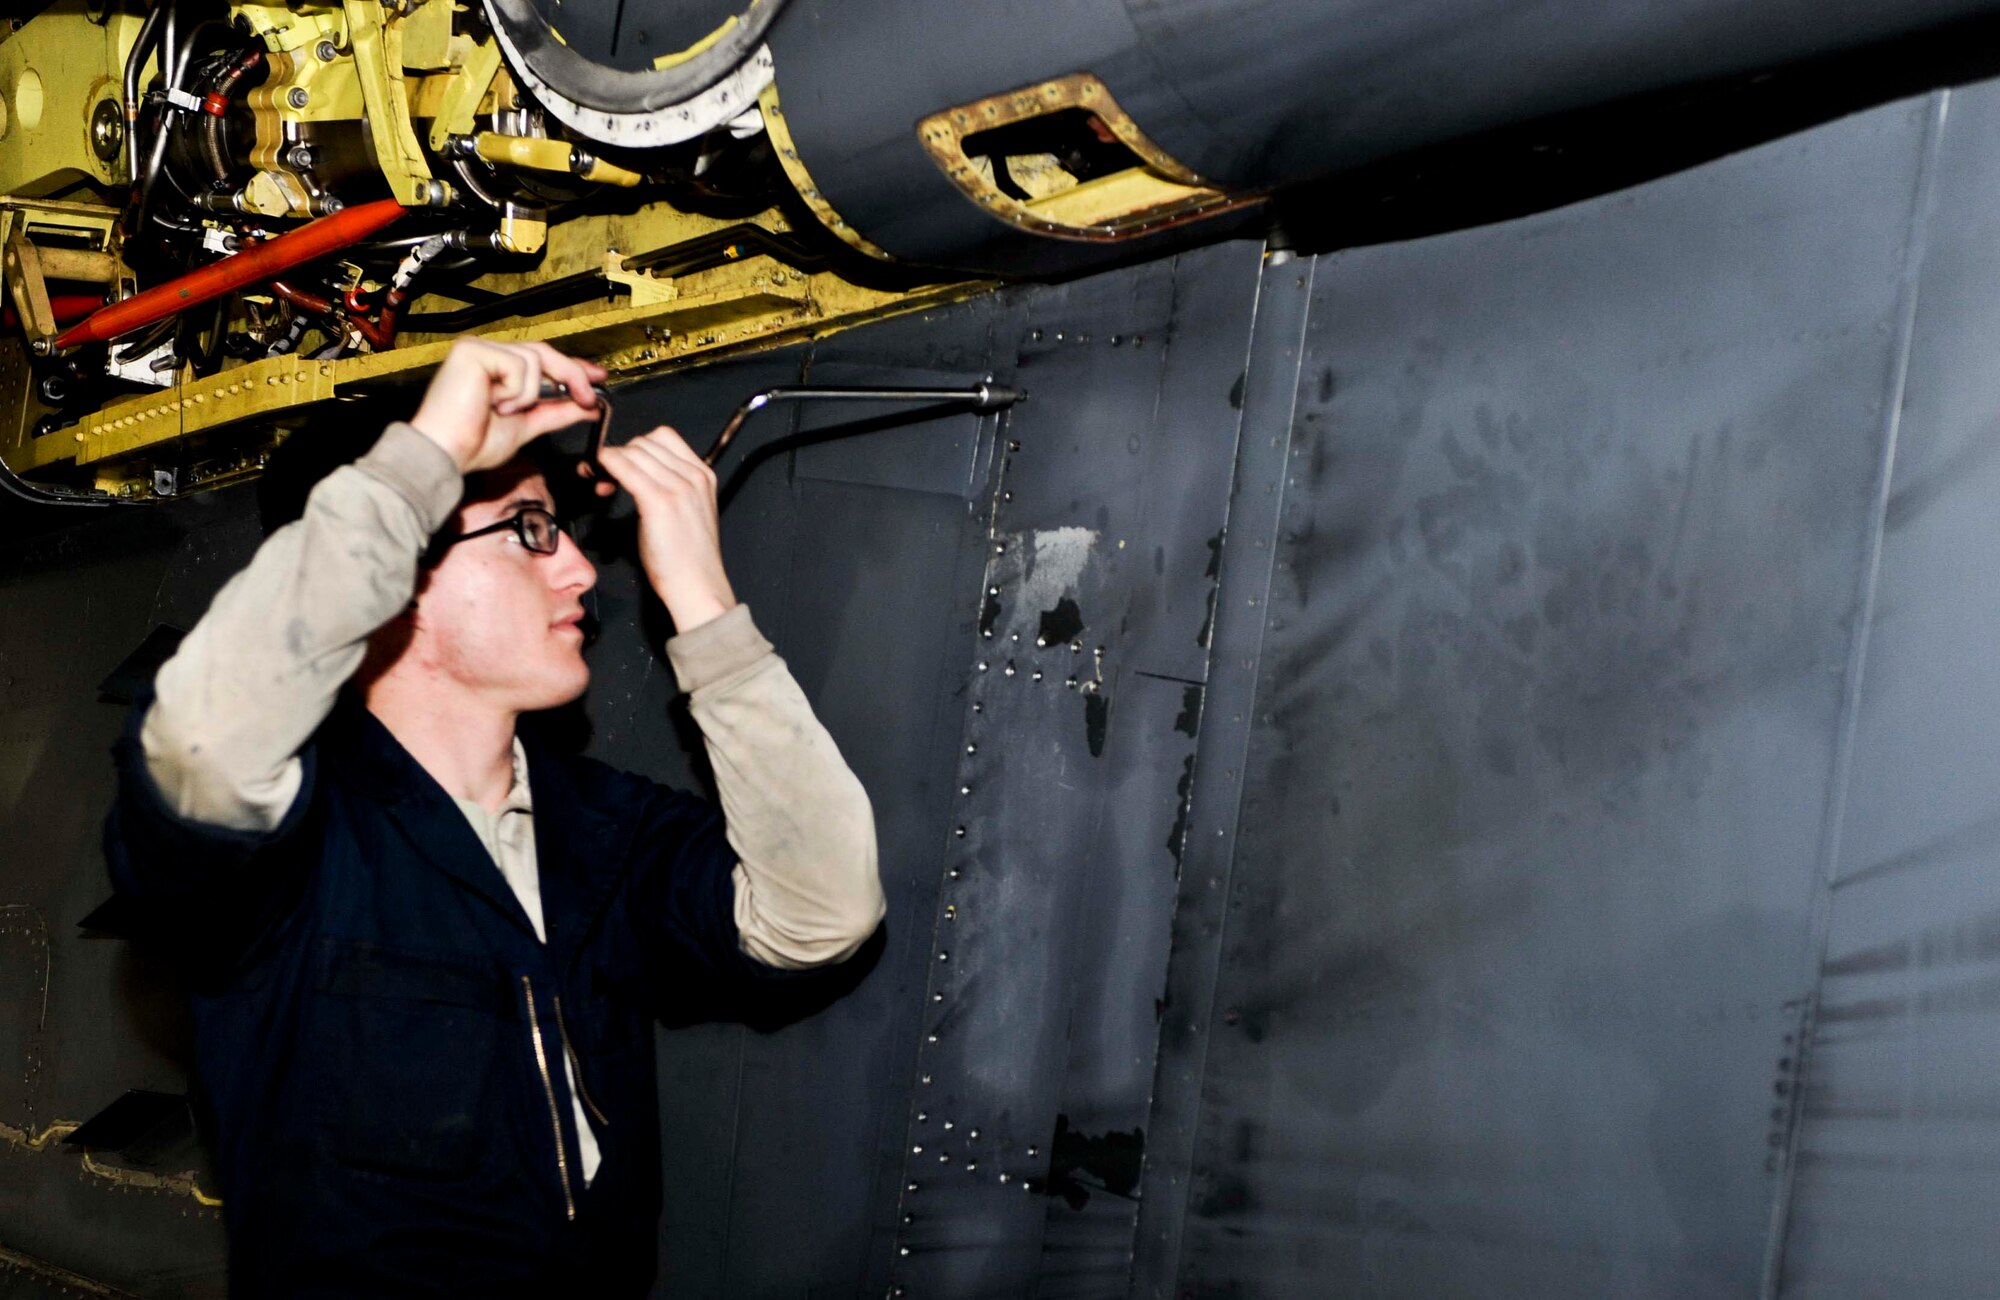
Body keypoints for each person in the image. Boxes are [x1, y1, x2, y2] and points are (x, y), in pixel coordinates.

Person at [103, 338, 885, 1296]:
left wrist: (703, 601)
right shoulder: (293, 842)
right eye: (527, 531)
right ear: (404, 579)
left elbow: (820, 915)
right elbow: (201, 746)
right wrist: (424, 458)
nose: (583, 575)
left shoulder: (601, 829)